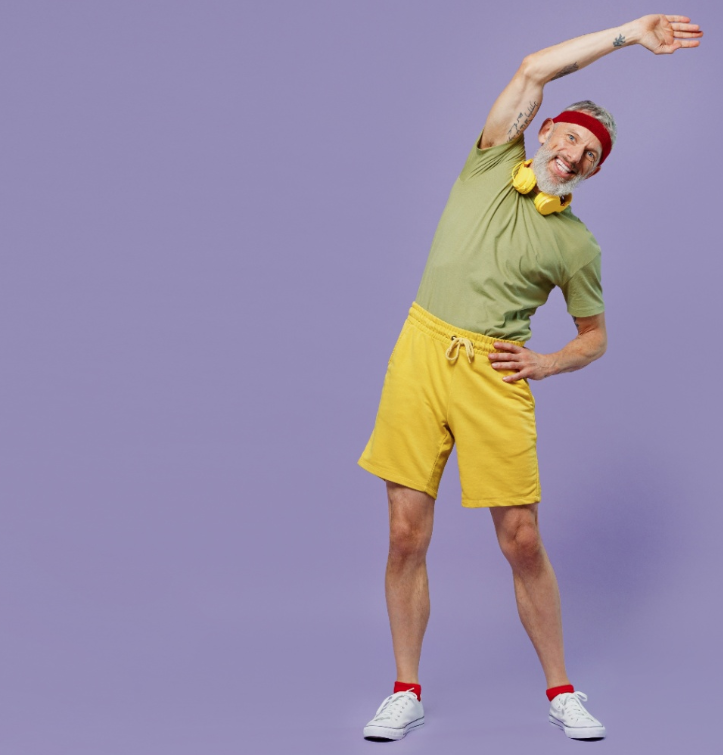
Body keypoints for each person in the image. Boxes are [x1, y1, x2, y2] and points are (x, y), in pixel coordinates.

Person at [358, 14, 702, 743]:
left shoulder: (576, 245)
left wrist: (545, 362)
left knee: (519, 539)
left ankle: (561, 690)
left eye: (591, 154)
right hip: (419, 354)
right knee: (404, 533)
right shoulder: (489, 162)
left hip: (492, 375)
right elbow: (533, 67)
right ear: (544, 133)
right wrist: (631, 33)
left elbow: (595, 337)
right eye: (570, 138)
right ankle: (405, 690)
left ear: (594, 173)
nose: (575, 155)